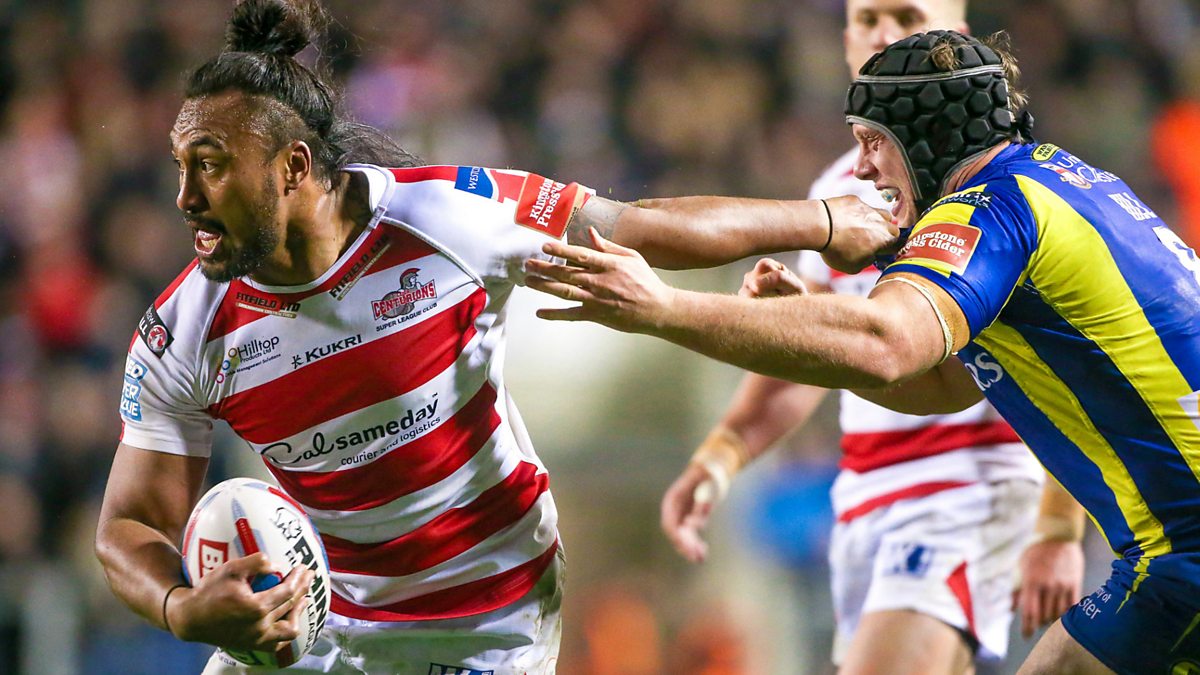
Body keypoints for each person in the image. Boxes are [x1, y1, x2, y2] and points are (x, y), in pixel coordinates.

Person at [93, 1, 895, 673]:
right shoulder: (183, 331)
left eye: (209, 166)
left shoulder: (449, 217)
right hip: (319, 621)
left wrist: (823, 221)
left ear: (293, 168)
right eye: (180, 166)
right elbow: (129, 526)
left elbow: (644, 227)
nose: (185, 196)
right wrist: (180, 605)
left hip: (483, 616)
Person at [526, 29, 1200, 675]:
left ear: (931, 135)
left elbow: (886, 345)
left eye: (874, 142)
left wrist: (663, 307)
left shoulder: (990, 208)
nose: (864, 168)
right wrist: (803, 324)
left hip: (1180, 551)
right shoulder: (1066, 181)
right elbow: (943, 383)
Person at [658, 3, 1084, 673]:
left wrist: (1059, 525)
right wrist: (721, 454)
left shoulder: (997, 190)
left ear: (956, 44)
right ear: (844, 41)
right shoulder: (841, 187)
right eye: (866, 19)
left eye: (907, 16)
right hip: (863, 493)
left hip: (967, 483)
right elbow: (807, 357)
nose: (883, 34)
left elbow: (1069, 360)